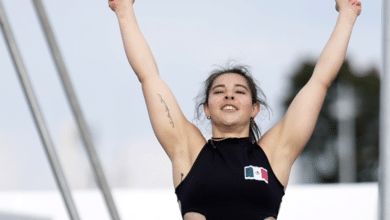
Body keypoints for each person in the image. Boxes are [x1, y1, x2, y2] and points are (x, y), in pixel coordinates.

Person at [108, 0, 362, 219]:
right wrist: (124, 9)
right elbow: (148, 76)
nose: (229, 94)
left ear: (254, 109)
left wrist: (347, 14)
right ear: (206, 109)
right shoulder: (188, 151)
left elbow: (320, 81)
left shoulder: (273, 155)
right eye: (219, 91)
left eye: (240, 91)